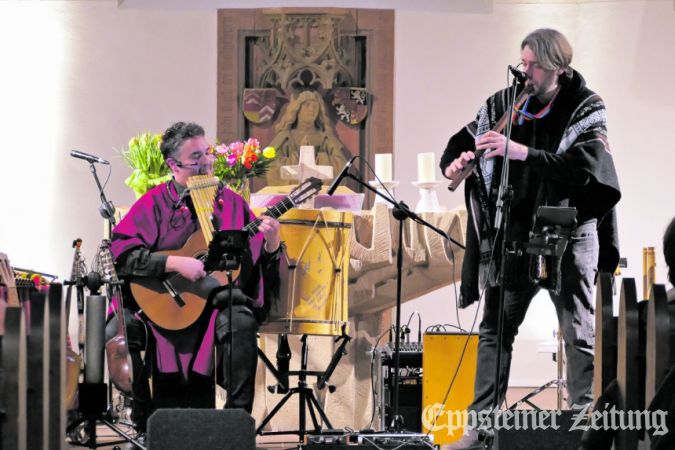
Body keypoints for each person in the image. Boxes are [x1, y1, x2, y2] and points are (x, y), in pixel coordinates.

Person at [439, 29, 621, 449]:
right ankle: (480, 431)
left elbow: (584, 169)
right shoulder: (505, 103)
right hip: (516, 235)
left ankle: (582, 432)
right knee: (494, 331)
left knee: (578, 334)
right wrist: (456, 164)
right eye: (522, 63)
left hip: (570, 233)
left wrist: (520, 152)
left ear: (558, 67)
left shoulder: (586, 106)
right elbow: (461, 140)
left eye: (533, 66)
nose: (526, 73)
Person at [108, 121, 282, 433]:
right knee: (119, 328)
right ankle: (145, 423)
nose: (205, 163)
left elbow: (254, 263)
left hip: (211, 309)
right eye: (195, 158)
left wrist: (271, 243)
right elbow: (123, 256)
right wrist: (174, 262)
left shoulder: (231, 203)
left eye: (207, 154)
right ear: (173, 165)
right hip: (158, 308)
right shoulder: (153, 203)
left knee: (241, 319)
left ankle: (235, 423)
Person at [265, 90, 349, 185]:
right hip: (290, 196)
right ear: (297, 109)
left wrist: (320, 160)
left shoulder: (325, 137)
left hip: (321, 194)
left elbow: (341, 165)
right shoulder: (285, 137)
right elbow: (269, 166)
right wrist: (295, 161)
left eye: (315, 106)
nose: (311, 109)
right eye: (307, 105)